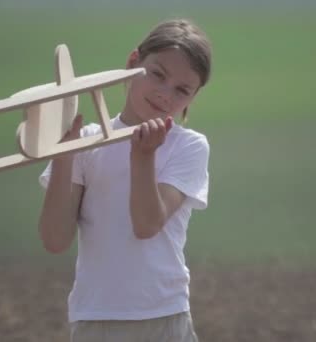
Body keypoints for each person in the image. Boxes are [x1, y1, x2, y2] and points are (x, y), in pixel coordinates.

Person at [37, 18, 212, 342]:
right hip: (94, 318)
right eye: (158, 74)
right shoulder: (85, 142)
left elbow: (146, 225)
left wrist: (142, 156)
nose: (164, 94)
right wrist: (62, 156)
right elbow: (55, 240)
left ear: (192, 98)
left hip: (164, 316)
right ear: (133, 62)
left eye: (182, 90)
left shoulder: (189, 146)